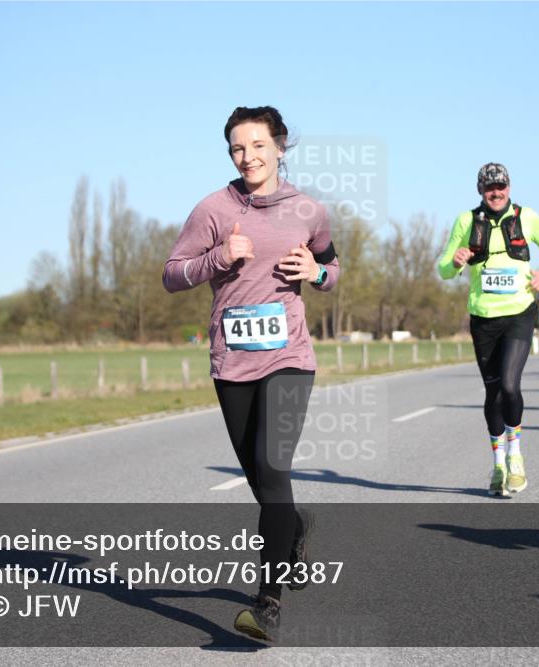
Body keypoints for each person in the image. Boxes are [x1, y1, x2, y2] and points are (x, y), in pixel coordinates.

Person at [163, 106, 340, 640]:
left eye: (258, 146)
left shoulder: (308, 209)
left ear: (280, 147)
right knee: (263, 482)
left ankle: (267, 604)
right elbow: (173, 275)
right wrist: (217, 257)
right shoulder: (212, 209)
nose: (249, 157)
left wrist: (316, 272)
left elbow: (332, 269)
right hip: (232, 361)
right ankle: (297, 528)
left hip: (290, 358)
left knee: (273, 465)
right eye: (238, 148)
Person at [438, 162, 539, 497]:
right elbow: (443, 268)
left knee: (509, 384)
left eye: (501, 186)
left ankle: (516, 457)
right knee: (492, 393)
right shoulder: (467, 221)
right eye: (490, 187)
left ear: (509, 187)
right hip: (483, 318)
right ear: (480, 190)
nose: (496, 192)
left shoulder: (527, 216)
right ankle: (498, 465)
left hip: (519, 312)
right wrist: (456, 261)